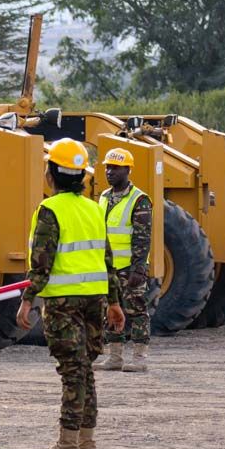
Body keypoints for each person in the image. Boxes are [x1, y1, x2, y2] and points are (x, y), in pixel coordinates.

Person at [16, 139, 126, 449]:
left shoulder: (50, 210)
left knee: (73, 372)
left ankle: (67, 445)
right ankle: (86, 443)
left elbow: (42, 262)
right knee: (84, 370)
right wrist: (114, 302)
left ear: (51, 174)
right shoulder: (94, 209)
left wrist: (28, 300)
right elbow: (107, 260)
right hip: (94, 301)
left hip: (63, 303)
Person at [97, 148, 152, 373]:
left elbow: (142, 237)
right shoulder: (103, 197)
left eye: (115, 168)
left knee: (136, 311)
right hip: (108, 268)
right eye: (107, 168)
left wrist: (138, 269)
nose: (110, 172)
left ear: (128, 170)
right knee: (110, 310)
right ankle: (115, 357)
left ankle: (139, 358)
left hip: (130, 267)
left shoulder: (139, 199)